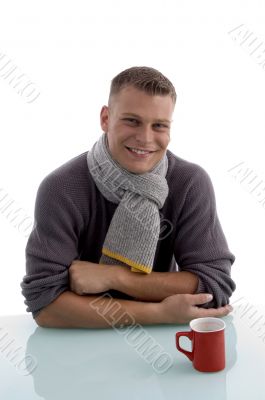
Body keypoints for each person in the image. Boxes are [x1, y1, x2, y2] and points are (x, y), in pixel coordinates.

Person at [21, 66, 236, 328]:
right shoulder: (61, 188)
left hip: (163, 347)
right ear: (105, 118)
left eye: (159, 125)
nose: (145, 138)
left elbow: (215, 284)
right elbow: (46, 305)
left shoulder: (190, 182)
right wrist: (161, 313)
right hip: (78, 346)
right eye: (132, 121)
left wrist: (116, 278)